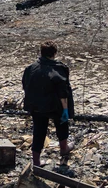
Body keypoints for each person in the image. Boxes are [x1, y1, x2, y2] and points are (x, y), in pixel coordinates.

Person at [22, 40, 74, 168]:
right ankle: (64, 148)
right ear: (54, 53)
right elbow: (63, 93)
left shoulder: (31, 68)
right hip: (54, 105)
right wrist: (65, 110)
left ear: (41, 52)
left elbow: (25, 85)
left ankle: (36, 162)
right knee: (62, 124)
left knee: (39, 130)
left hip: (36, 105)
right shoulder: (59, 69)